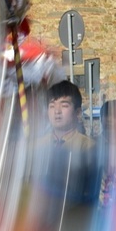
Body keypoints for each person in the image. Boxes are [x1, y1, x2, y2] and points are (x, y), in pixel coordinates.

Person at [35, 80, 98, 213]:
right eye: (52, 106)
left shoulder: (89, 148)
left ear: (78, 112)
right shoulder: (37, 146)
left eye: (64, 105)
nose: (57, 111)